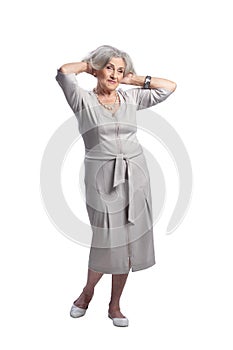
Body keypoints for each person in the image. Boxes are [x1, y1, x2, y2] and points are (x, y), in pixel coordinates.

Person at [55, 45, 176, 327]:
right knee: (107, 240)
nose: (115, 74)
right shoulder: (82, 100)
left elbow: (169, 87)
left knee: (129, 242)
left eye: (120, 70)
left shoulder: (130, 97)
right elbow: (63, 72)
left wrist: (136, 79)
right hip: (101, 178)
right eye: (110, 67)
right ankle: (87, 293)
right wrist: (90, 66)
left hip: (135, 175)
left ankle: (115, 305)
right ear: (98, 68)